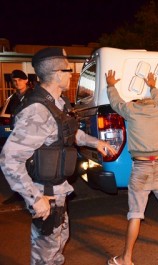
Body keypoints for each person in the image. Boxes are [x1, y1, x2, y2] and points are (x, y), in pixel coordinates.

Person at [0, 47, 117, 264]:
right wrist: (35, 199)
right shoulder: (38, 110)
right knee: (45, 256)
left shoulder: (58, 104)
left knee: (58, 245)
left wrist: (95, 142)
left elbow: (68, 132)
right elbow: (9, 160)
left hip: (58, 191)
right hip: (45, 194)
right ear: (57, 74)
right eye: (68, 70)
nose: (71, 74)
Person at [105, 70, 158, 265]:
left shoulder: (131, 111)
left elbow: (116, 102)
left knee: (135, 214)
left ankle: (126, 258)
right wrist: (153, 85)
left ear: (136, 102)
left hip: (141, 168)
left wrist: (111, 85)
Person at [2, 70, 33, 205]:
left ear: (26, 80)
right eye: (15, 80)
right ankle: (19, 193)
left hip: (33, 134)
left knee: (33, 165)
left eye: (20, 79)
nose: (17, 82)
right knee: (17, 165)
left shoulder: (34, 95)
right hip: (18, 134)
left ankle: (34, 195)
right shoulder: (13, 98)